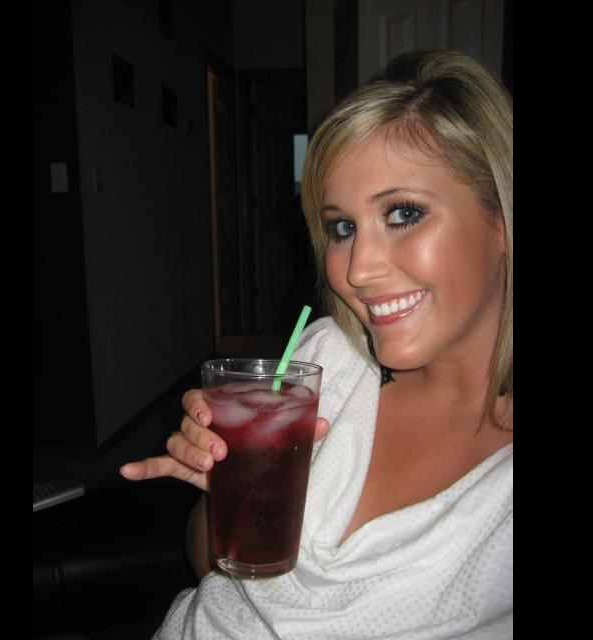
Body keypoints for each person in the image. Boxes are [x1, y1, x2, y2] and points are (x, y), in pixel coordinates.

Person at [120, 49, 513, 639]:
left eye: (404, 213)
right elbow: (213, 569)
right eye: (342, 228)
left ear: (501, 219)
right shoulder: (327, 360)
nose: (358, 269)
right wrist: (227, 487)